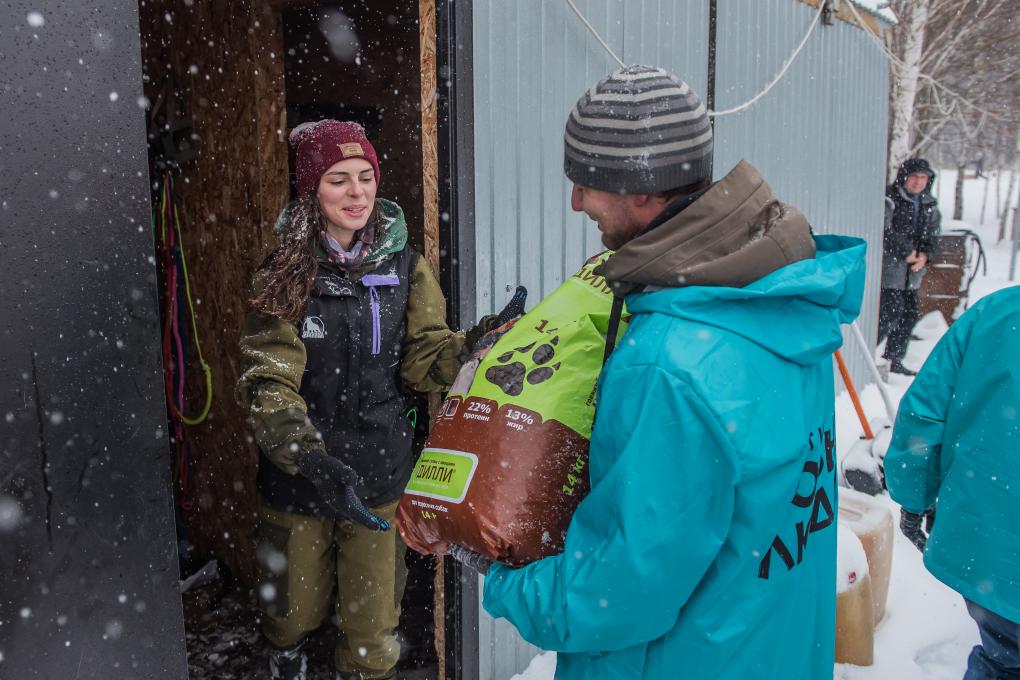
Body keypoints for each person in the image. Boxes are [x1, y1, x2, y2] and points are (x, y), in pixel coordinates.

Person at [449, 65, 866, 679]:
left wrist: (506, 577)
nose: (575, 202)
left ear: (642, 189)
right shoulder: (775, 304)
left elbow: (619, 591)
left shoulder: (670, 361)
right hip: (767, 649)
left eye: (586, 183)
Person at [237, 120, 485, 680]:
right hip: (300, 476)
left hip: (379, 475)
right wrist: (304, 452)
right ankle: (286, 661)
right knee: (290, 614)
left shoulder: (405, 267)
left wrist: (472, 344)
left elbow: (425, 359)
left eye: (366, 177)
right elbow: (268, 378)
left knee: (372, 632)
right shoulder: (284, 272)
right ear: (311, 191)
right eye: (338, 179)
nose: (357, 192)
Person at [884, 285, 1020, 680]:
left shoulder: (996, 314)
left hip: (996, 554)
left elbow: (923, 416)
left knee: (1004, 661)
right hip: (997, 549)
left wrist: (914, 499)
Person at [880, 157, 942, 376]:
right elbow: (885, 230)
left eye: (923, 177)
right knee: (888, 313)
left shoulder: (929, 205)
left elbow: (934, 235)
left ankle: (894, 358)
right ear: (904, 177)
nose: (918, 182)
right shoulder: (891, 199)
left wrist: (925, 255)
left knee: (910, 314)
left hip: (912, 273)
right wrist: (906, 252)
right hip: (890, 270)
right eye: (914, 176)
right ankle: (869, 353)